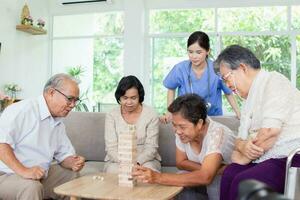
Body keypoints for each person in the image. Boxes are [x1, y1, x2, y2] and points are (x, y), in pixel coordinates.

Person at [215, 45, 300, 200]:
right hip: (265, 156)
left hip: (291, 156)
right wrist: (242, 147)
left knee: (244, 181)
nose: (226, 85)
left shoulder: (274, 81)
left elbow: (269, 132)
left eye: (226, 78)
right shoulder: (249, 100)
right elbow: (239, 140)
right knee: (229, 173)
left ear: (242, 68)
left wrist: (243, 156)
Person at [133, 94, 236, 200]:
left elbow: (206, 177)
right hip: (205, 177)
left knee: (213, 180)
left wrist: (157, 177)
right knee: (180, 184)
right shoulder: (182, 132)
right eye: (174, 125)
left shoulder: (217, 133)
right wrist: (213, 170)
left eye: (182, 126)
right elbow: (181, 163)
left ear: (200, 123)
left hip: (225, 182)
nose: (177, 131)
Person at [0, 73, 85, 200]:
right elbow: (2, 144)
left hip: (39, 175)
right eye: (69, 99)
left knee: (71, 177)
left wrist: (73, 162)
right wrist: (24, 171)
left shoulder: (58, 121)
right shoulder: (21, 110)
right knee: (31, 187)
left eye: (75, 101)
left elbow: (64, 156)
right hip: (8, 175)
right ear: (51, 93)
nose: (73, 105)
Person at [160, 31, 240, 123]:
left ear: (207, 51)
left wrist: (238, 112)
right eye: (190, 52)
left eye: (198, 52)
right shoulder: (180, 69)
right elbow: (171, 88)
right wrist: (169, 112)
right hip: (186, 119)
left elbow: (228, 92)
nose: (194, 56)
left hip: (213, 119)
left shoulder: (218, 68)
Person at [104, 75, 161, 173]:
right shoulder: (111, 115)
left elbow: (151, 147)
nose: (129, 102)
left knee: (147, 172)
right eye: (125, 98)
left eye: (133, 98)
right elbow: (111, 147)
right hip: (118, 161)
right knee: (113, 172)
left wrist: (137, 163)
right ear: (119, 97)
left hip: (145, 160)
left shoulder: (151, 114)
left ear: (140, 97)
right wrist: (125, 163)